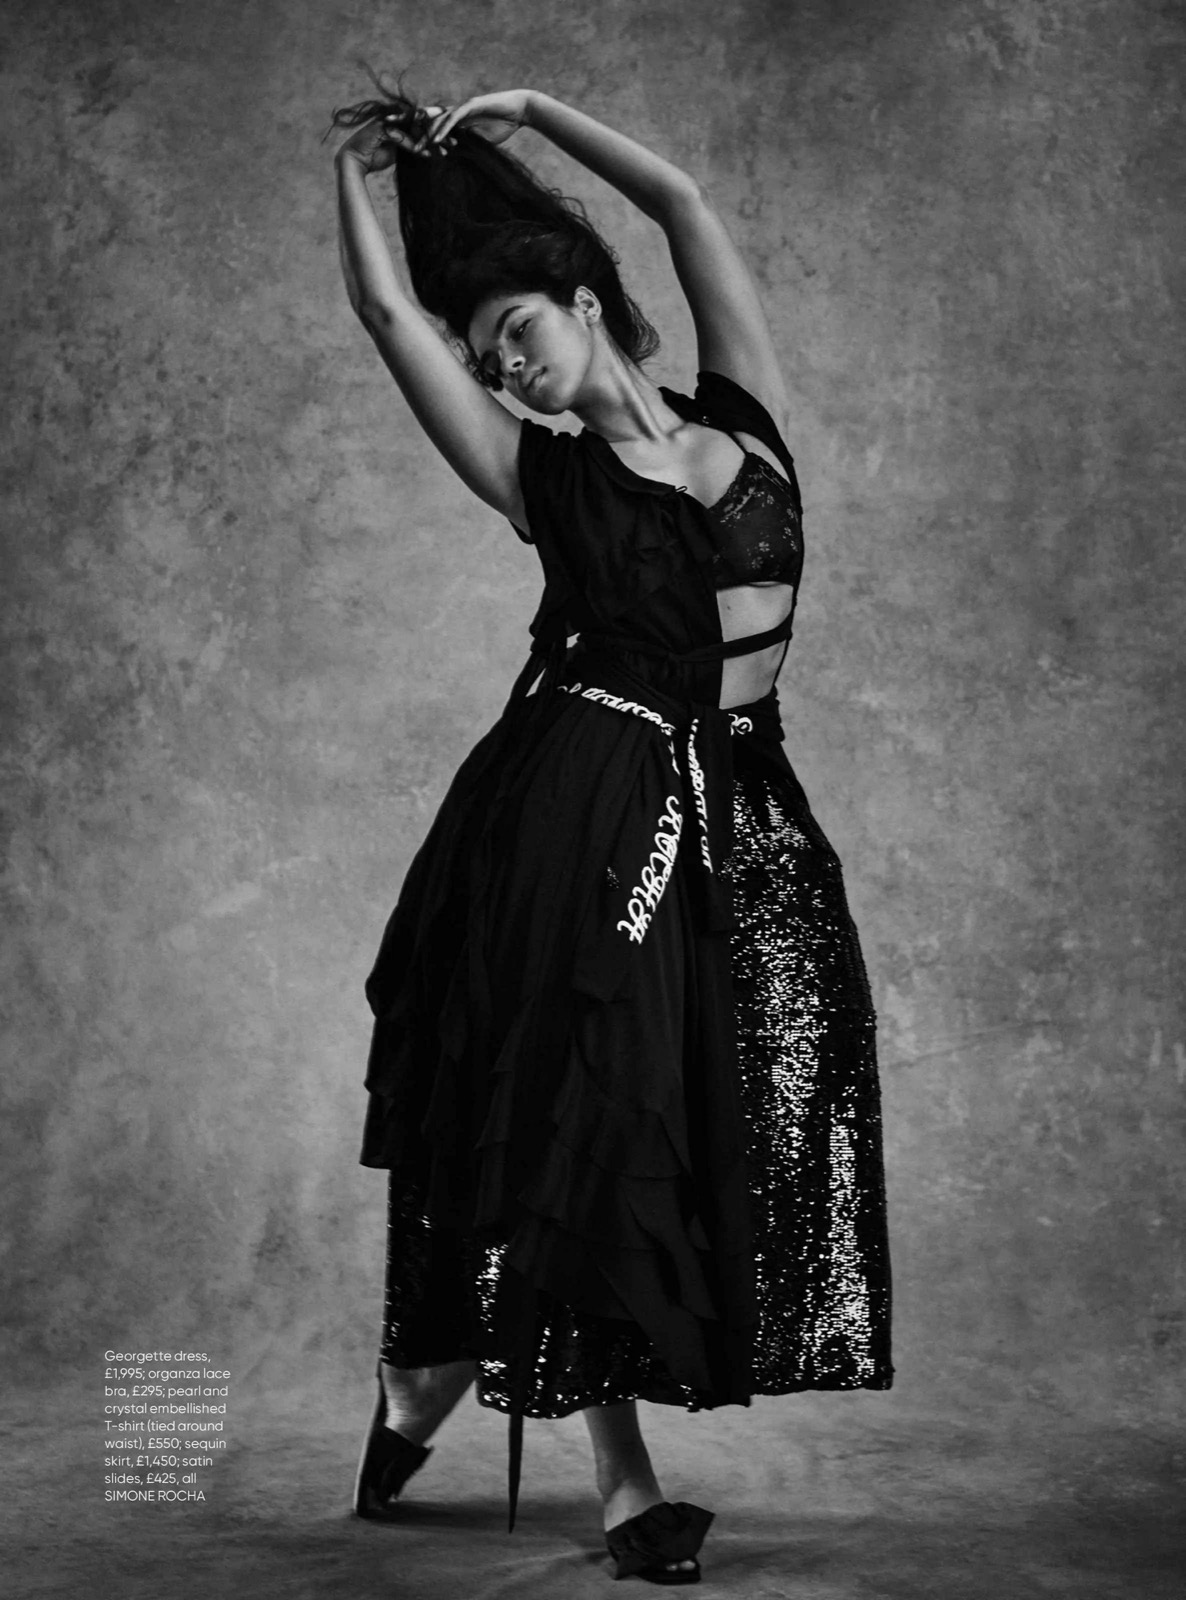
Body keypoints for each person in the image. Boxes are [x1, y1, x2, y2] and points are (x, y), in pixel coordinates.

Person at [332, 81, 892, 1585]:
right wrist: (351, 184)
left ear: (587, 305)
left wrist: (534, 112)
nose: (507, 366)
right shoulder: (546, 480)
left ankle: (427, 1375)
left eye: (519, 330)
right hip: (589, 801)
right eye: (490, 358)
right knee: (602, 1105)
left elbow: (684, 205)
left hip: (743, 799)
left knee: (736, 1096)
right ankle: (624, 1485)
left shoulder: (742, 414)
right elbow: (387, 320)